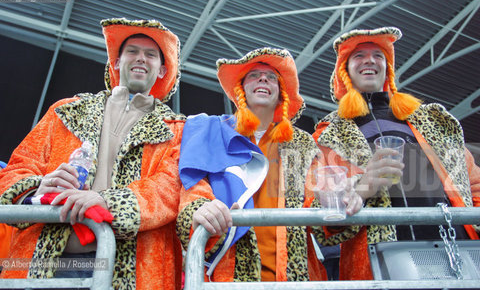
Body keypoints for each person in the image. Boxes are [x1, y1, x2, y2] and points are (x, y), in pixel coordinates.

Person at [0, 18, 185, 290]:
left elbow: (170, 189)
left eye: (151, 54)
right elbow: (15, 169)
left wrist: (104, 201)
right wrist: (39, 187)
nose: (140, 59)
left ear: (162, 70)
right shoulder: (65, 110)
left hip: (131, 275)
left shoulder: (177, 129)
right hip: (48, 265)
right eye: (132, 51)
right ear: (115, 63)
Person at [176, 47, 363, 282]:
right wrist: (201, 209)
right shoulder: (212, 131)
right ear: (241, 89)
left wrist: (336, 200)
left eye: (272, 77)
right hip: (226, 277)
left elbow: (317, 201)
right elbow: (192, 189)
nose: (263, 78)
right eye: (254, 75)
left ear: (281, 93)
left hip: (295, 279)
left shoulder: (300, 142)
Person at [313, 26, 480, 280]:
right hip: (380, 262)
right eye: (358, 56)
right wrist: (363, 188)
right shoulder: (328, 135)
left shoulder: (431, 121)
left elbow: (474, 184)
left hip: (457, 251)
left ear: (388, 68)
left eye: (378, 55)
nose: (369, 60)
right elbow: (324, 218)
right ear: (344, 72)